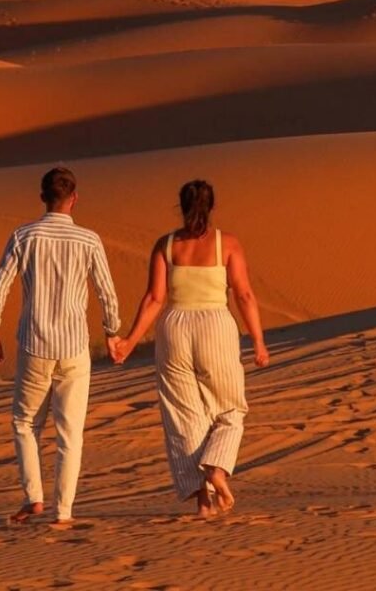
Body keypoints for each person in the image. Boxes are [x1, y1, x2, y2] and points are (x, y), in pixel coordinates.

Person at [113, 179, 268, 517]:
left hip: (174, 329)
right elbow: (243, 295)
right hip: (215, 326)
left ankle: (202, 500)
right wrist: (258, 340)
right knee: (230, 409)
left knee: (184, 417)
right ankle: (217, 468)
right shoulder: (226, 244)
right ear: (211, 207)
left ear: (181, 207)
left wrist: (128, 342)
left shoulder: (165, 245)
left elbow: (155, 299)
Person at [0, 166, 121, 526]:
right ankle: (63, 511)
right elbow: (107, 291)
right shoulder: (89, 240)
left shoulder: (23, 236)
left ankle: (34, 498)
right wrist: (112, 332)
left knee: (25, 422)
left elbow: (0, 286)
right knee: (70, 432)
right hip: (74, 347)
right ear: (74, 198)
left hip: (35, 344)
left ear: (43, 197)